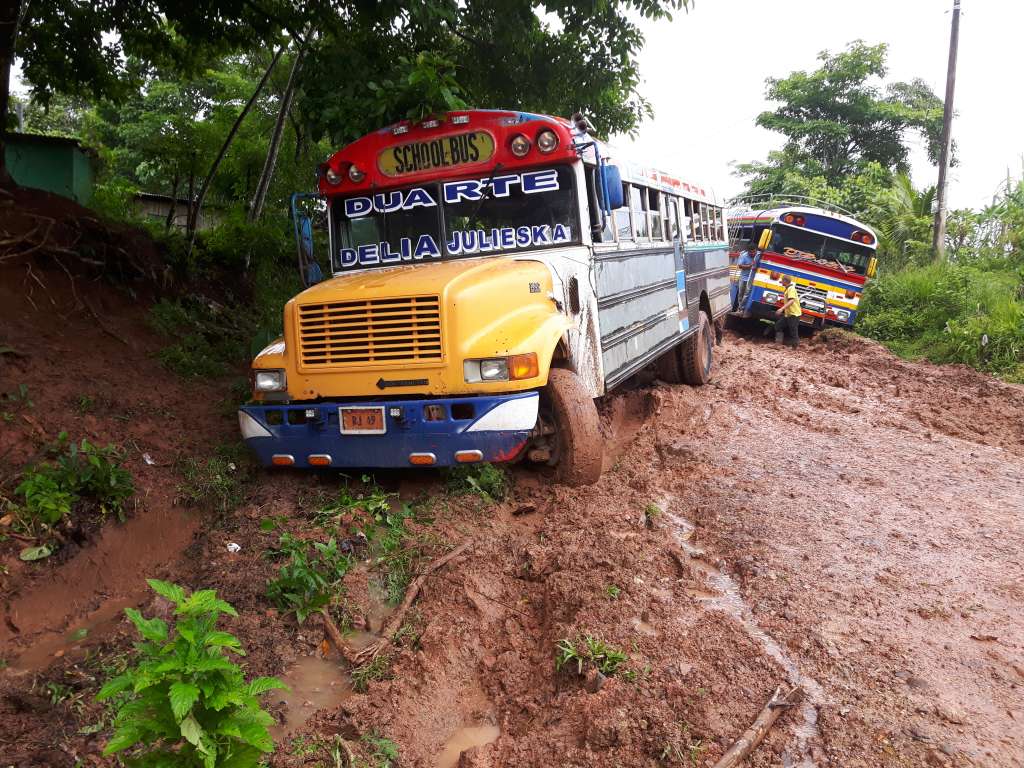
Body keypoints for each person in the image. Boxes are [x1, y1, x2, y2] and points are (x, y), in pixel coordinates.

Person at [774, 275, 802, 347]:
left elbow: (791, 300)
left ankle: (795, 347)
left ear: (785, 281)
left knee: (793, 331)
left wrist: (781, 309)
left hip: (794, 314)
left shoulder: (791, 289)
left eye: (782, 281)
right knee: (778, 326)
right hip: (788, 314)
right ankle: (778, 344)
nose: (781, 282)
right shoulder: (788, 288)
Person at [734, 245, 755, 310]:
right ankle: (740, 308)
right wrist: (749, 266)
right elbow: (740, 266)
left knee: (748, 293)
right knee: (741, 293)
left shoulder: (758, 255)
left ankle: (745, 308)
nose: (753, 254)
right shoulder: (744, 256)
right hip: (744, 278)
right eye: (751, 252)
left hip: (753, 279)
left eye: (754, 252)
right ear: (748, 251)